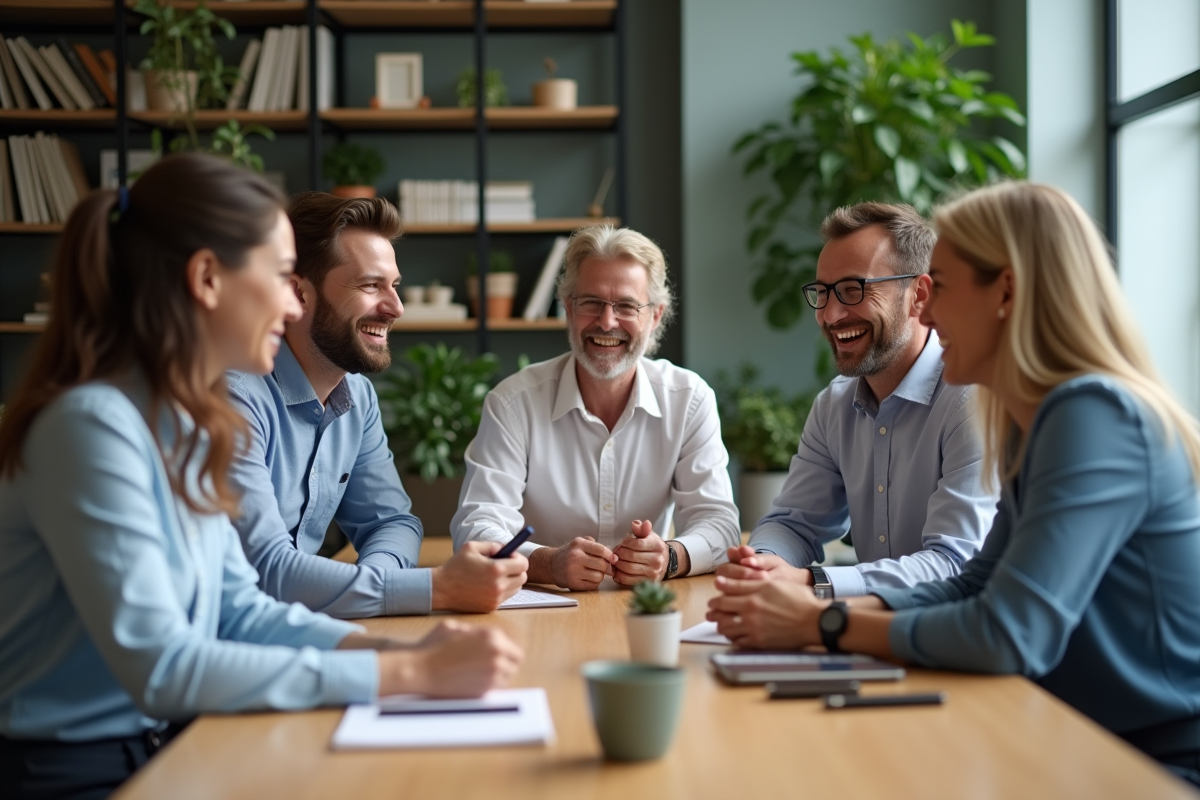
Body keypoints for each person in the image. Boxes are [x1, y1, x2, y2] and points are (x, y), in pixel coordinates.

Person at [0, 155, 522, 800]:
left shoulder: (189, 425)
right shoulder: (92, 426)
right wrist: (408, 670)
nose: (290, 299)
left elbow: (239, 608)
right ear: (208, 280)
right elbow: (163, 667)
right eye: (280, 276)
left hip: (164, 743)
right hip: (70, 769)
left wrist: (394, 654)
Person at [708, 182, 1200, 786]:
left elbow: (1007, 631)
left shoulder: (1094, 415)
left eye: (941, 286)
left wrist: (818, 620)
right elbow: (973, 585)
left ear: (1006, 292)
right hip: (1059, 732)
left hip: (1146, 762)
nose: (929, 311)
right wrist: (799, 603)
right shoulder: (1035, 423)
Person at [225, 192, 528, 618]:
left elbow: (392, 523)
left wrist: (375, 585)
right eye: (370, 285)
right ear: (297, 294)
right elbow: (266, 572)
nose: (396, 308)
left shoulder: (357, 395)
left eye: (395, 286)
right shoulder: (235, 397)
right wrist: (434, 589)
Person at [719, 202, 997, 599]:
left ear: (919, 295)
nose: (831, 315)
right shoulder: (834, 405)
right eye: (822, 292)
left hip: (950, 645)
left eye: (854, 290)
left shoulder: (972, 398)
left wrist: (812, 582)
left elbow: (953, 564)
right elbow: (793, 524)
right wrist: (762, 564)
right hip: (868, 639)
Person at [452, 225, 739, 590]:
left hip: (647, 609)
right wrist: (547, 563)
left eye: (626, 306)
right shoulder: (512, 403)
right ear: (569, 307)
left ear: (655, 316)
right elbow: (475, 528)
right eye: (591, 303)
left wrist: (668, 557)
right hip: (538, 614)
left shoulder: (689, 399)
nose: (607, 321)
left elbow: (719, 525)